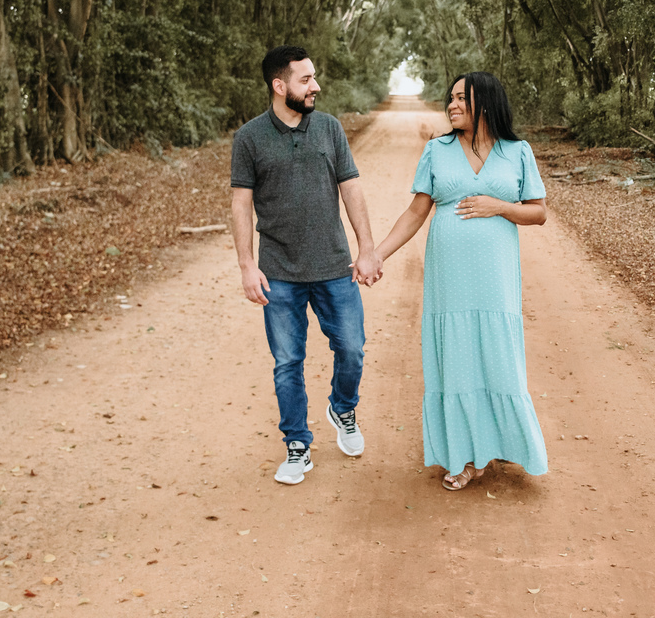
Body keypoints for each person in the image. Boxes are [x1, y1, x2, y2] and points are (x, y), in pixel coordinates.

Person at [375, 71, 548, 491]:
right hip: (449, 279)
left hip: (495, 279)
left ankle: (506, 445)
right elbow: (417, 212)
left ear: (485, 102)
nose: (451, 105)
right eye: (449, 99)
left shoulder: (517, 151)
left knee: (499, 357)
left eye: (460, 99)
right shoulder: (437, 151)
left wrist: (499, 206)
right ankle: (465, 456)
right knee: (455, 360)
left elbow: (538, 212)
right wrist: (376, 254)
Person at [230, 45, 382, 486]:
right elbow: (241, 204)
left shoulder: (330, 129)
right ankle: (297, 445)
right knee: (287, 361)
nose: (315, 86)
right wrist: (246, 265)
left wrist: (366, 248)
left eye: (314, 77)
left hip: (334, 266)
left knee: (351, 348)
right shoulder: (250, 138)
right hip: (279, 271)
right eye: (305, 79)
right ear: (280, 87)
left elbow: (351, 190)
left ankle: (342, 407)